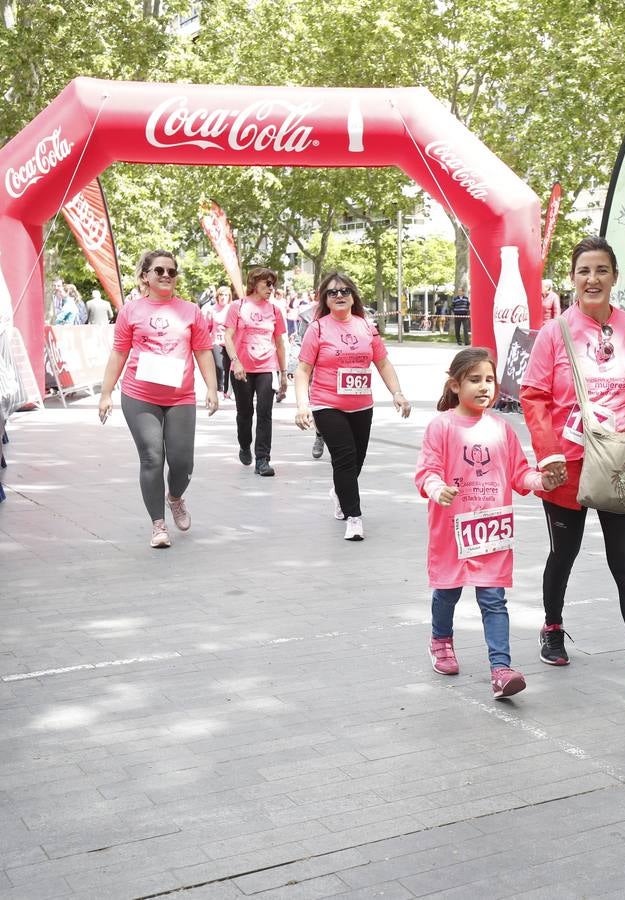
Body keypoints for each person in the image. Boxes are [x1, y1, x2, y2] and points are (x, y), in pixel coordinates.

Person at [520, 236, 625, 697]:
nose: (593, 279)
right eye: (584, 270)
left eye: (602, 270)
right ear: (573, 278)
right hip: (565, 467)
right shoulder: (555, 332)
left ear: (615, 277)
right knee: (562, 554)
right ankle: (551, 625)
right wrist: (547, 455)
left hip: (619, 465)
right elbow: (534, 396)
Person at [416, 347, 550, 699]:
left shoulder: (502, 429)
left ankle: (501, 668)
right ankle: (440, 640)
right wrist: (436, 488)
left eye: (489, 379)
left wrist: (541, 481)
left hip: (491, 531)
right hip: (451, 531)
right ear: (455, 385)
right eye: (474, 380)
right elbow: (427, 470)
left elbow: (520, 473)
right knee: (448, 592)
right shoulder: (441, 426)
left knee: (493, 599)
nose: (484, 387)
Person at [97, 250, 219, 549]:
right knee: (152, 457)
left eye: (171, 271)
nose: (166, 275)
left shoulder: (191, 311)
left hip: (180, 396)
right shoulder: (131, 311)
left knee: (181, 461)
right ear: (145, 277)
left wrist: (212, 389)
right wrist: (105, 392)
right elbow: (119, 353)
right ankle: (158, 523)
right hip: (140, 395)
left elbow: (203, 351)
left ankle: (175, 497)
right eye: (159, 271)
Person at [293, 271, 411, 541]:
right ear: (325, 298)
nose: (339, 296)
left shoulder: (366, 326)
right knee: (344, 459)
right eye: (333, 292)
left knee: (355, 462)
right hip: (327, 404)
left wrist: (397, 393)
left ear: (353, 296)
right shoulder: (318, 328)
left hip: (361, 405)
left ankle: (340, 491)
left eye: (344, 291)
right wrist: (302, 406)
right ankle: (354, 517)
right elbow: (303, 370)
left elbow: (382, 363)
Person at [224, 266, 288, 477]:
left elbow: (279, 343)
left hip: (266, 368)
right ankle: (244, 444)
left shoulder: (275, 310)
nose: (271, 288)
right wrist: (236, 361)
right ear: (254, 283)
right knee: (245, 413)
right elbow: (228, 337)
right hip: (242, 368)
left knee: (264, 413)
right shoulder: (238, 306)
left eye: (273, 284)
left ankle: (262, 459)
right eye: (267, 284)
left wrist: (283, 373)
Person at [202, 286, 233, 399]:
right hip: (216, 341)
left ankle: (226, 391)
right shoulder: (212, 309)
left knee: (229, 366)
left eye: (225, 295)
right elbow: (207, 327)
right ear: (217, 296)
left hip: (230, 342)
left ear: (229, 297)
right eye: (221, 295)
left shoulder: (232, 309)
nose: (223, 297)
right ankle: (219, 389)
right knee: (219, 366)